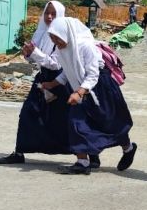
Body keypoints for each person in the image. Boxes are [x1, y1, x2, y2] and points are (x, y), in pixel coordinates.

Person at [43, 17, 138, 175]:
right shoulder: (61, 50)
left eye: (57, 38)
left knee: (111, 125)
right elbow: (68, 71)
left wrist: (79, 92)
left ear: (66, 34)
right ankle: (83, 162)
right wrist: (52, 83)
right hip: (81, 91)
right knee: (75, 123)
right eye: (52, 38)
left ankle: (128, 148)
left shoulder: (86, 46)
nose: (55, 42)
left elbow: (94, 74)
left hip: (101, 89)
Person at [0, 1, 82, 165]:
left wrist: (35, 53)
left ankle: (89, 155)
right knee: (28, 113)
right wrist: (29, 54)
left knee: (69, 119)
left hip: (60, 82)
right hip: (42, 80)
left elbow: (56, 64)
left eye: (53, 14)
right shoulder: (41, 32)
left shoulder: (62, 35)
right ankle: (19, 151)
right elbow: (37, 60)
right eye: (47, 13)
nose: (49, 17)